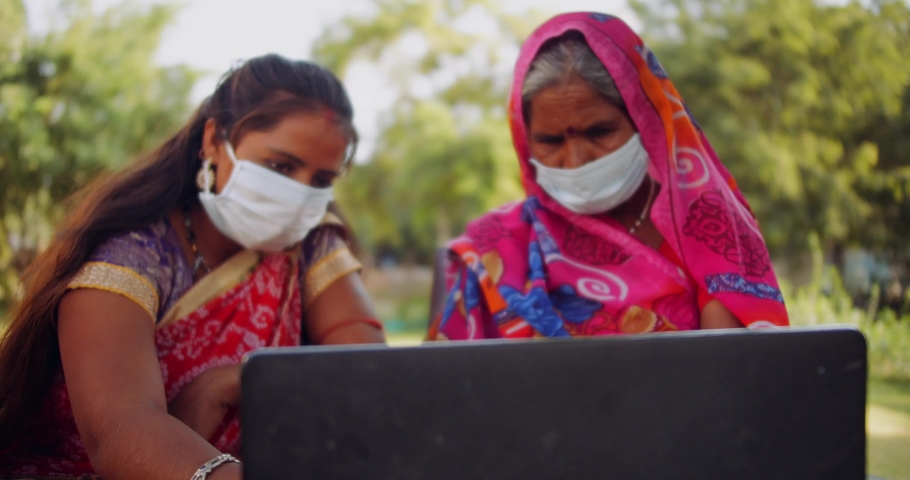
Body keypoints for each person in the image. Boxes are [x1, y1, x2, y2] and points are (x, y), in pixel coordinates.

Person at [0, 54, 384, 479]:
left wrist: (242, 379)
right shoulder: (131, 257)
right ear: (214, 141)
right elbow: (122, 432)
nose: (299, 195)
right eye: (279, 166)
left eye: (321, 181)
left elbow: (371, 378)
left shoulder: (308, 245)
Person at [428, 13, 789, 342]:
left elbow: (728, 373)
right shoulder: (498, 249)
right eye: (550, 141)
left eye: (599, 132)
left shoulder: (709, 231)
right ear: (526, 142)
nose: (576, 160)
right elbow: (450, 383)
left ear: (645, 120)